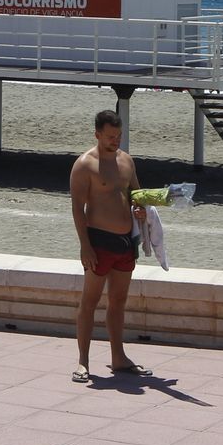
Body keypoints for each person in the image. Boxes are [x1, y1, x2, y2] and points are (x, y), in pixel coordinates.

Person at [70, 109, 148, 383]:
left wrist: (141, 209)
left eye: (119, 136)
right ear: (97, 134)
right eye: (110, 137)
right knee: (89, 302)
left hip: (125, 243)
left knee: (118, 301)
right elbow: (78, 209)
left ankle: (118, 357)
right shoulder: (84, 164)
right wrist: (85, 246)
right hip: (99, 241)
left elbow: (136, 195)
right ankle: (83, 361)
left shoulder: (127, 161)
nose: (115, 141)